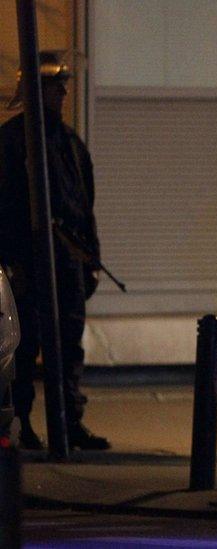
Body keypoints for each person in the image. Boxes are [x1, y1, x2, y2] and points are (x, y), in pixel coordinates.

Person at [0, 51, 109, 451]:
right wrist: (11, 265)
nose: (64, 91)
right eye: (54, 84)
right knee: (24, 350)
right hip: (28, 264)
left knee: (68, 347)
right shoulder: (12, 142)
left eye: (63, 83)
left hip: (68, 264)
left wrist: (91, 260)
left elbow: (84, 205)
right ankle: (22, 423)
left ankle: (69, 422)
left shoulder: (69, 143)